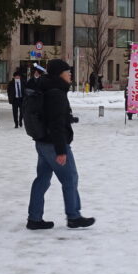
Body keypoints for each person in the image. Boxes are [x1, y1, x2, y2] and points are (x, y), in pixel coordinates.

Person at [26, 58, 95, 230]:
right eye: (67, 71)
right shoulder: (56, 92)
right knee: (70, 178)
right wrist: (61, 150)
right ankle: (73, 216)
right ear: (59, 74)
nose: (70, 74)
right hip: (53, 144)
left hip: (42, 142)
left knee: (42, 179)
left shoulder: (46, 87)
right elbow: (55, 124)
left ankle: (34, 218)